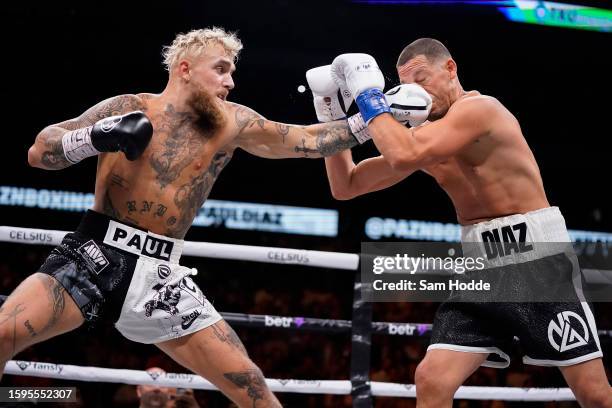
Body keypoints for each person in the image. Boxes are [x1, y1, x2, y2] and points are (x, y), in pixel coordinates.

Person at [0, 27, 368, 408]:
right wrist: (97, 136)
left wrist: (373, 116)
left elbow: (306, 140)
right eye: (221, 69)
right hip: (93, 254)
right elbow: (39, 151)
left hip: (162, 278)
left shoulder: (232, 122)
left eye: (232, 72)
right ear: (185, 68)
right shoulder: (131, 106)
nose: (231, 81)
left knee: (253, 387)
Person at [321, 39, 611, 407]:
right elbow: (345, 186)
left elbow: (401, 153)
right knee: (431, 379)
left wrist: (367, 95)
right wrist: (330, 113)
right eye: (407, 85)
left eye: (422, 79)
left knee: (595, 395)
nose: (416, 92)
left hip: (538, 262)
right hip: (481, 268)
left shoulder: (480, 110)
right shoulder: (425, 137)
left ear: (450, 69)